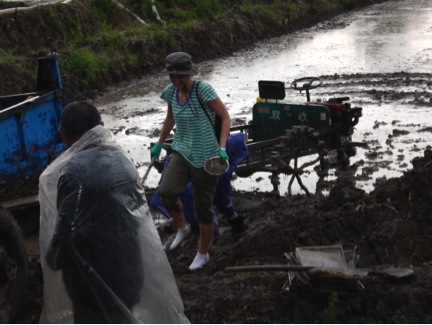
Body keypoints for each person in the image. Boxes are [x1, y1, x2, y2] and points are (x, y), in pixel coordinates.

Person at [38, 101, 189, 324]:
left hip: (91, 284)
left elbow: (65, 235)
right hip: (130, 273)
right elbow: (137, 219)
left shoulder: (71, 174)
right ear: (102, 126)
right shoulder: (122, 161)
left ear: (63, 135)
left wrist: (52, 259)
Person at [151, 51, 231, 271]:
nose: (177, 81)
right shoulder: (171, 92)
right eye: (172, 76)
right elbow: (170, 117)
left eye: (181, 76)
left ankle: (203, 253)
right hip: (182, 151)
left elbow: (225, 117)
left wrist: (222, 148)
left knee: (202, 208)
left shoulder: (203, 90)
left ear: (188, 74)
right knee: (166, 192)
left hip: (207, 156)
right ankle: (183, 227)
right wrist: (159, 142)